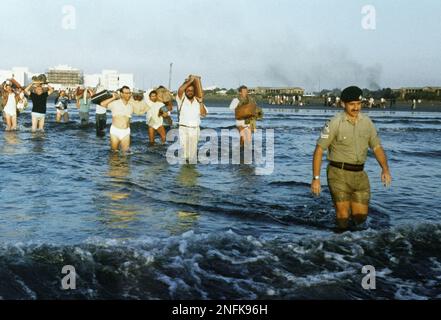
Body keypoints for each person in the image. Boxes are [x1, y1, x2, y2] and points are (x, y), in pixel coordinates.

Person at [311, 86, 392, 231]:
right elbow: (319, 150)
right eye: (352, 104)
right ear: (343, 104)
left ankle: (356, 247)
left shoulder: (367, 123)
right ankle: (339, 247)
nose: (356, 108)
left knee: (360, 218)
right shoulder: (334, 123)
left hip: (360, 175)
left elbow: (377, 147)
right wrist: (316, 178)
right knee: (342, 216)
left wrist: (385, 169)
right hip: (338, 174)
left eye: (359, 104)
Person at [99, 86, 149, 152]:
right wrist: (113, 97)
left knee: (126, 153)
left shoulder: (131, 104)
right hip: (115, 131)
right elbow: (102, 104)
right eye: (126, 93)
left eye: (129, 93)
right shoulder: (114, 103)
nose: (128, 95)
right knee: (114, 152)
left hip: (126, 132)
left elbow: (141, 111)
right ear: (121, 94)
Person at [177, 76, 208, 163]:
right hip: (183, 128)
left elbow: (203, 114)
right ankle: (184, 174)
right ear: (185, 92)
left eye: (192, 91)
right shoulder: (181, 99)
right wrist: (190, 81)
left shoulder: (198, 101)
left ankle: (191, 173)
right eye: (188, 90)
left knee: (192, 154)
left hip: (195, 129)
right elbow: (180, 90)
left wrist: (201, 102)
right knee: (184, 153)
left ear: (194, 92)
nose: (190, 92)